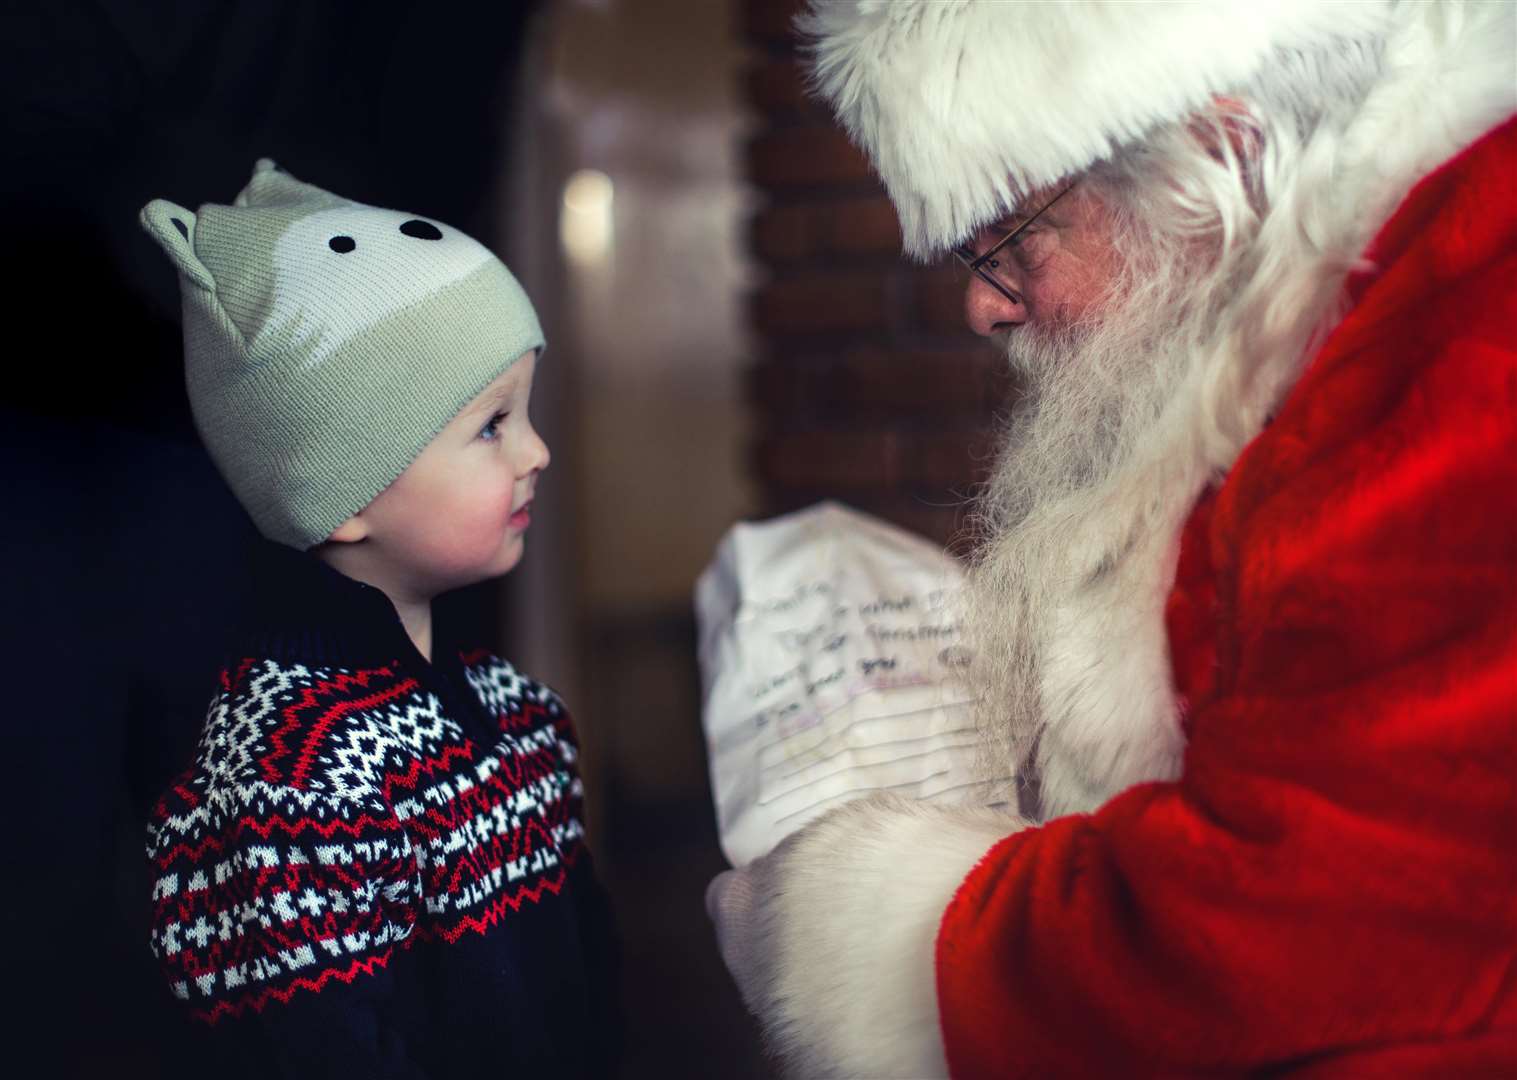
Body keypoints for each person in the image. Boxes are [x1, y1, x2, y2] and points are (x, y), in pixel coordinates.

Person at [705, 1, 1516, 1075]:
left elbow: (1306, 926)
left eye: (1006, 242)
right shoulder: (1334, 306)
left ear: (1216, 154)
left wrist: (865, 929)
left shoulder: (1467, 320)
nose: (982, 311)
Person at [140, 160, 617, 1078]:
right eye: (492, 425)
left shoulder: (519, 712)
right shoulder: (289, 781)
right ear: (343, 492)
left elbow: (589, 988)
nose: (538, 450)